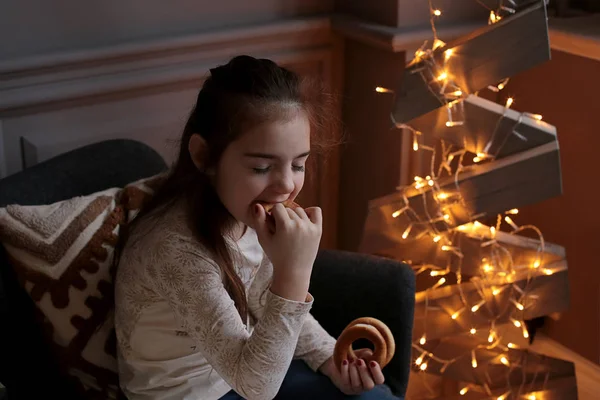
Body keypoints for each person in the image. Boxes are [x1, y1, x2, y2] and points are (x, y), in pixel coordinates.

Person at [114, 55, 400, 400]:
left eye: (298, 164)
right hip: (193, 393)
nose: (285, 186)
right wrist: (294, 272)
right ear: (204, 156)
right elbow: (258, 388)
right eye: (262, 167)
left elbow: (265, 299)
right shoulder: (176, 251)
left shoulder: (247, 212)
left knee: (374, 398)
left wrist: (328, 356)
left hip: (248, 365)